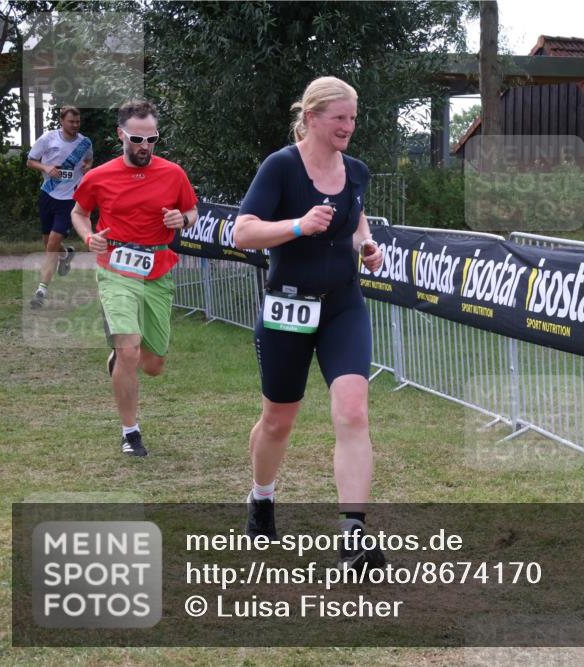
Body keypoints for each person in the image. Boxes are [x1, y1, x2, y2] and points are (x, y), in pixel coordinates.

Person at [234, 77, 385, 571]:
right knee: (279, 418)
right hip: (288, 307)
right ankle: (262, 496)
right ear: (314, 117)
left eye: (354, 118)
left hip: (343, 304)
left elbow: (356, 218)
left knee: (353, 410)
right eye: (340, 117)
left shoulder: (357, 172)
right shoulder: (281, 166)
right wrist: (297, 225)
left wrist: (366, 246)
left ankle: (353, 534)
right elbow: (243, 232)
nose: (349, 127)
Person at [71, 100, 199, 457]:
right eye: (137, 139)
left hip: (158, 269)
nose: (145, 146)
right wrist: (87, 237)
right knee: (128, 350)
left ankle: (120, 359)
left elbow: (192, 210)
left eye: (152, 139)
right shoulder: (98, 177)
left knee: (153, 365)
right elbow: (80, 213)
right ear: (121, 135)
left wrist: (182, 220)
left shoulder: (174, 174)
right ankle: (131, 433)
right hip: (115, 266)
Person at [26, 106, 93, 308]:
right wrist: (46, 167)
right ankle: (66, 255)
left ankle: (40, 291)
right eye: (71, 121)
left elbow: (89, 159)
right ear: (61, 121)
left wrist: (88, 166)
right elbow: (30, 161)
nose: (75, 125)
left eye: (78, 122)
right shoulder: (48, 139)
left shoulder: (85, 143)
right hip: (48, 195)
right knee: (48, 243)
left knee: (52, 244)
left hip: (70, 199)